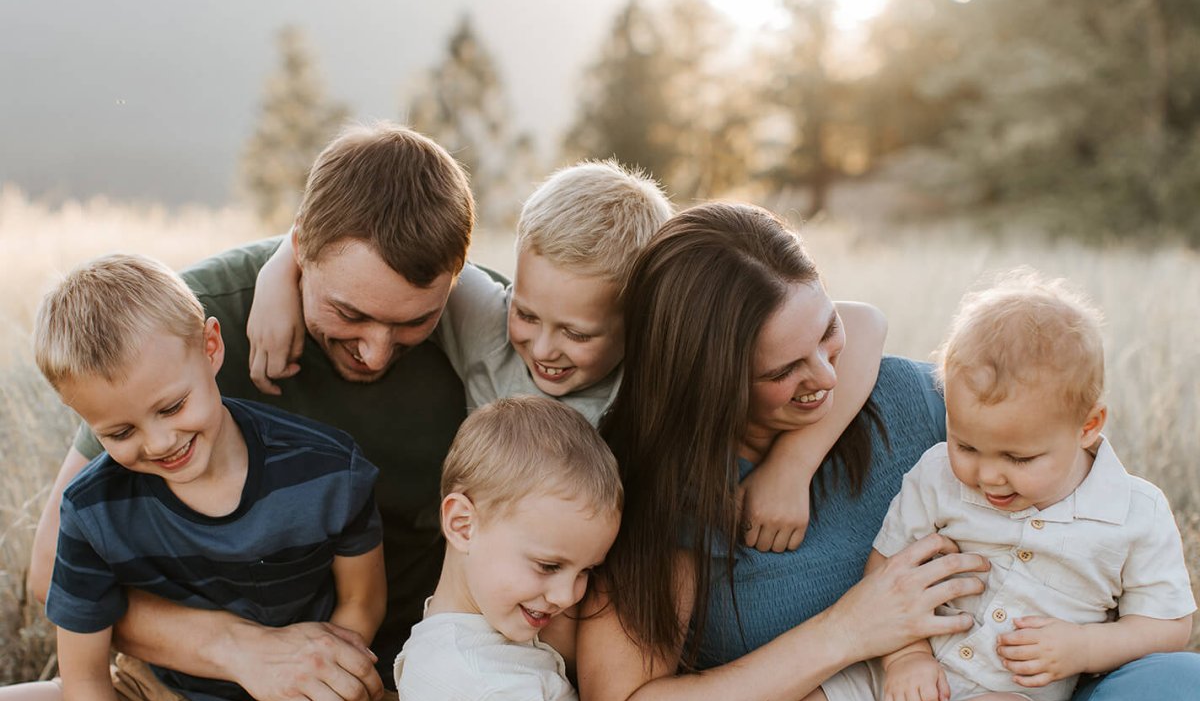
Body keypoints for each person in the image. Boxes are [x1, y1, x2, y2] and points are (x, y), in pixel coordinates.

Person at [576, 201, 1200, 701]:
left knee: (1181, 694)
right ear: (706, 380)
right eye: (783, 372)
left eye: (825, 334)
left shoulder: (913, 406)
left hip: (1034, 694)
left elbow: (1063, 477)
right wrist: (851, 629)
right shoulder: (654, 502)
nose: (823, 376)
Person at [25, 121, 473, 701]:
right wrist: (237, 648)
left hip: (365, 695)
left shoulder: (493, 335)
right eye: (348, 314)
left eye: (414, 322)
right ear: (297, 251)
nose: (375, 350)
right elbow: (51, 574)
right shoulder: (176, 324)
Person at [725, 270, 1195, 701]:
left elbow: (1171, 625)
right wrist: (904, 661)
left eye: (1020, 458)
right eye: (967, 444)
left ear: (1089, 427)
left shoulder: (1135, 513)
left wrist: (1082, 648)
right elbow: (887, 573)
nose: (987, 474)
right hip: (887, 689)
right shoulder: (936, 475)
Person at [248, 159, 889, 552]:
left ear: (638, 326)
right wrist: (284, 270)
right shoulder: (487, 319)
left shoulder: (649, 376)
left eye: (579, 334)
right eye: (528, 313)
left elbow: (863, 323)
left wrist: (793, 466)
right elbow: (366, 229)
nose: (544, 348)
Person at [0, 255, 407, 701]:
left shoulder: (324, 470)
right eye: (120, 433)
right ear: (84, 419)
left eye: (171, 407)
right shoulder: (90, 511)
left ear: (211, 347)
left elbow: (362, 606)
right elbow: (84, 678)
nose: (160, 442)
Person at [395, 396, 700, 701]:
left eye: (586, 572)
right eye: (547, 565)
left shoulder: (489, 638)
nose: (566, 596)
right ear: (462, 525)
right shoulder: (465, 677)